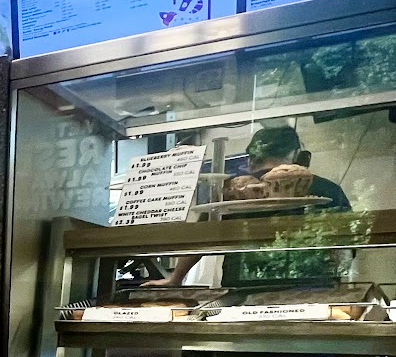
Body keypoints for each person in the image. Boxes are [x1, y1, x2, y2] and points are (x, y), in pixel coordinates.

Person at [149, 122, 351, 292]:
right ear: (297, 155)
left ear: (251, 158)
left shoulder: (233, 192)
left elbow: (202, 237)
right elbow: (346, 246)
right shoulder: (327, 189)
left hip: (243, 289)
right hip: (312, 286)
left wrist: (175, 278)